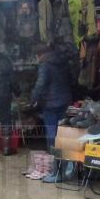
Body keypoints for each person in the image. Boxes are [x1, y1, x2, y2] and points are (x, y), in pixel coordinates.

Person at [31, 45, 74, 182]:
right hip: (65, 101)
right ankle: (68, 166)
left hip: (51, 104)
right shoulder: (62, 61)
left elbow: (41, 83)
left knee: (52, 137)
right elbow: (71, 80)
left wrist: (33, 99)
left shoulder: (44, 64)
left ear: (39, 55)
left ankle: (57, 172)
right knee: (64, 135)